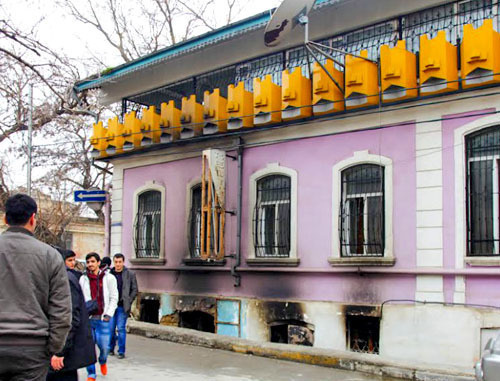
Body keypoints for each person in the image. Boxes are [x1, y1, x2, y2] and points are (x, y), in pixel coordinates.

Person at [0, 193, 72, 380]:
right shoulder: (50, 256)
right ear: (33, 219)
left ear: (5, 218)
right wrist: (53, 347)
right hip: (32, 349)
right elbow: (62, 310)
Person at [47, 248, 96, 381]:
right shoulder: (60, 276)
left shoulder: (64, 279)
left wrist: (59, 352)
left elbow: (70, 318)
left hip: (62, 355)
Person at [79, 253, 118, 381]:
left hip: (103, 319)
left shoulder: (109, 278)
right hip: (88, 319)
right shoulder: (83, 279)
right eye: (88, 262)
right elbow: (80, 298)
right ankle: (91, 374)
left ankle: (103, 360)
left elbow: (114, 297)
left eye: (92, 261)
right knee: (89, 348)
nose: (90, 264)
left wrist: (109, 314)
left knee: (105, 347)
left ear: (98, 262)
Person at [109, 253, 138, 359]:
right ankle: (110, 348)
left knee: (121, 328)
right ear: (113, 262)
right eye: (116, 262)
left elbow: (135, 289)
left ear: (123, 262)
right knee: (111, 329)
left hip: (122, 306)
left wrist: (129, 301)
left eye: (120, 262)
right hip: (111, 306)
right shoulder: (109, 274)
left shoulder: (129, 274)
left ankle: (121, 351)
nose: (118, 264)